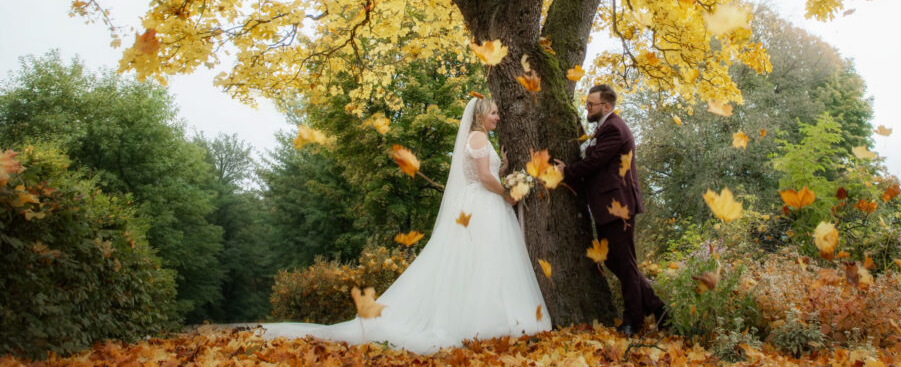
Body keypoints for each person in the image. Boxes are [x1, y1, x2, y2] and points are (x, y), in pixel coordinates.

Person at [259, 97, 551, 353]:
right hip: (482, 205)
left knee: (478, 262)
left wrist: (502, 170)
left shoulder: (478, 139)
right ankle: (485, 320)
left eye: (498, 113)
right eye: (494, 113)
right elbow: (485, 180)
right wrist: (507, 193)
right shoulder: (477, 138)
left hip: (478, 204)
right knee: (480, 261)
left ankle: (487, 316)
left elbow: (484, 173)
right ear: (480, 116)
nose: (498, 117)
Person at [554, 84, 668, 336]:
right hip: (607, 206)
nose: (587, 107)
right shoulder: (604, 128)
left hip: (618, 207)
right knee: (611, 260)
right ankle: (658, 308)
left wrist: (567, 172)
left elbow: (595, 162)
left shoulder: (614, 128)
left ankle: (633, 321)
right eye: (587, 103)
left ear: (605, 106)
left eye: (591, 104)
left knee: (625, 263)